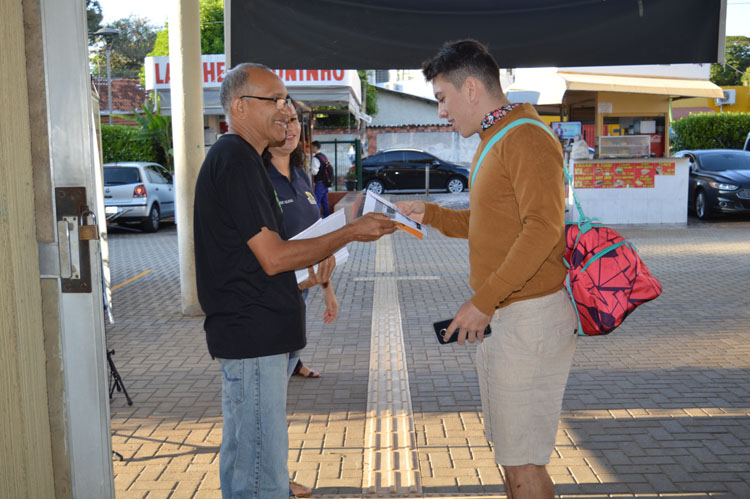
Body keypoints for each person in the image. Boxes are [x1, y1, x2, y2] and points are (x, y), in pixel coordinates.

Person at [193, 63, 396, 499]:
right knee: (259, 469)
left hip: (257, 333)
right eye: (276, 100)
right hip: (252, 333)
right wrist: (348, 232)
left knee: (250, 456)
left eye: (286, 101)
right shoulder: (236, 160)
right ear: (240, 107)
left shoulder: (243, 160)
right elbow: (273, 257)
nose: (285, 110)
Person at [396, 40, 577, 499]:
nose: (441, 112)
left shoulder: (526, 139)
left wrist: (483, 301)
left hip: (528, 321)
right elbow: (491, 224)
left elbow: (541, 230)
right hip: (512, 320)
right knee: (513, 458)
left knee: (523, 466)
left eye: (442, 98)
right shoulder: (498, 137)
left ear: (471, 89)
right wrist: (430, 213)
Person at [264, 106, 337, 381]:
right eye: (282, 121)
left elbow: (315, 236)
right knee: (270, 382)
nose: (290, 127)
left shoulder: (301, 175)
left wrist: (327, 289)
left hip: (301, 289)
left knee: (284, 370)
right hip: (274, 295)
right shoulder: (258, 178)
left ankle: (293, 366)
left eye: (293, 120)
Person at [310, 141, 333, 217]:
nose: (311, 149)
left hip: (319, 183)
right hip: (325, 182)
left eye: (312, 147)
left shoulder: (315, 158)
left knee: (318, 201)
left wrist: (310, 169)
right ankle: (327, 216)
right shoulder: (323, 156)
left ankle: (316, 218)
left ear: (315, 147)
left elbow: (314, 172)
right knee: (325, 201)